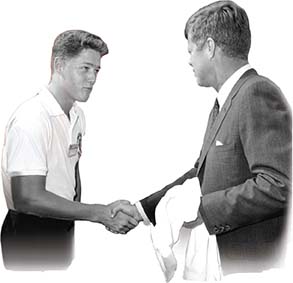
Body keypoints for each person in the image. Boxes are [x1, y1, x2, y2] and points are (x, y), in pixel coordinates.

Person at [112, 0, 291, 276]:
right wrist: (142, 209)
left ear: (209, 47)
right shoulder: (224, 102)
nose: (189, 60)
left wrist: (202, 209)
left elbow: (279, 186)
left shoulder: (256, 93)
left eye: (191, 50)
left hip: (254, 269)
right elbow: (200, 174)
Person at [0, 30, 138, 271]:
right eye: (85, 68)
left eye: (96, 71)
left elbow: (71, 171)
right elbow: (27, 198)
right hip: (29, 232)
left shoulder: (76, 115)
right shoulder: (31, 119)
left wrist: (94, 213)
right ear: (59, 65)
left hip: (62, 228)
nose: (93, 79)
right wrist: (98, 213)